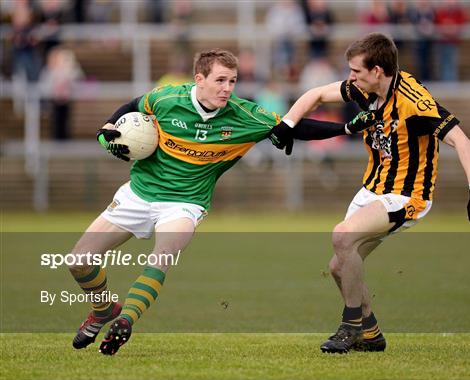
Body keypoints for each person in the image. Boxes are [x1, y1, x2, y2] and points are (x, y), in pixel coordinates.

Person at [68, 49, 373, 356]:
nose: (227, 88)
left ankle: (125, 321)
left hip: (185, 204)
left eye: (233, 81)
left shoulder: (244, 115)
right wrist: (105, 131)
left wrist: (346, 129)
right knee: (78, 261)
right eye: (220, 80)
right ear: (199, 79)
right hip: (138, 193)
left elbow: (292, 126)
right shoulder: (166, 99)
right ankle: (104, 309)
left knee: (163, 255)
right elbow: (133, 106)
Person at [272, 33, 470, 353]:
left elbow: (461, 141)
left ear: (378, 71)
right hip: (373, 188)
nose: (350, 78)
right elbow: (315, 94)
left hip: (407, 196)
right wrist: (287, 123)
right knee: (339, 267)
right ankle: (371, 333)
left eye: (356, 71)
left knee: (342, 236)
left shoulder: (415, 101)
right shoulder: (365, 88)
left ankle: (349, 325)